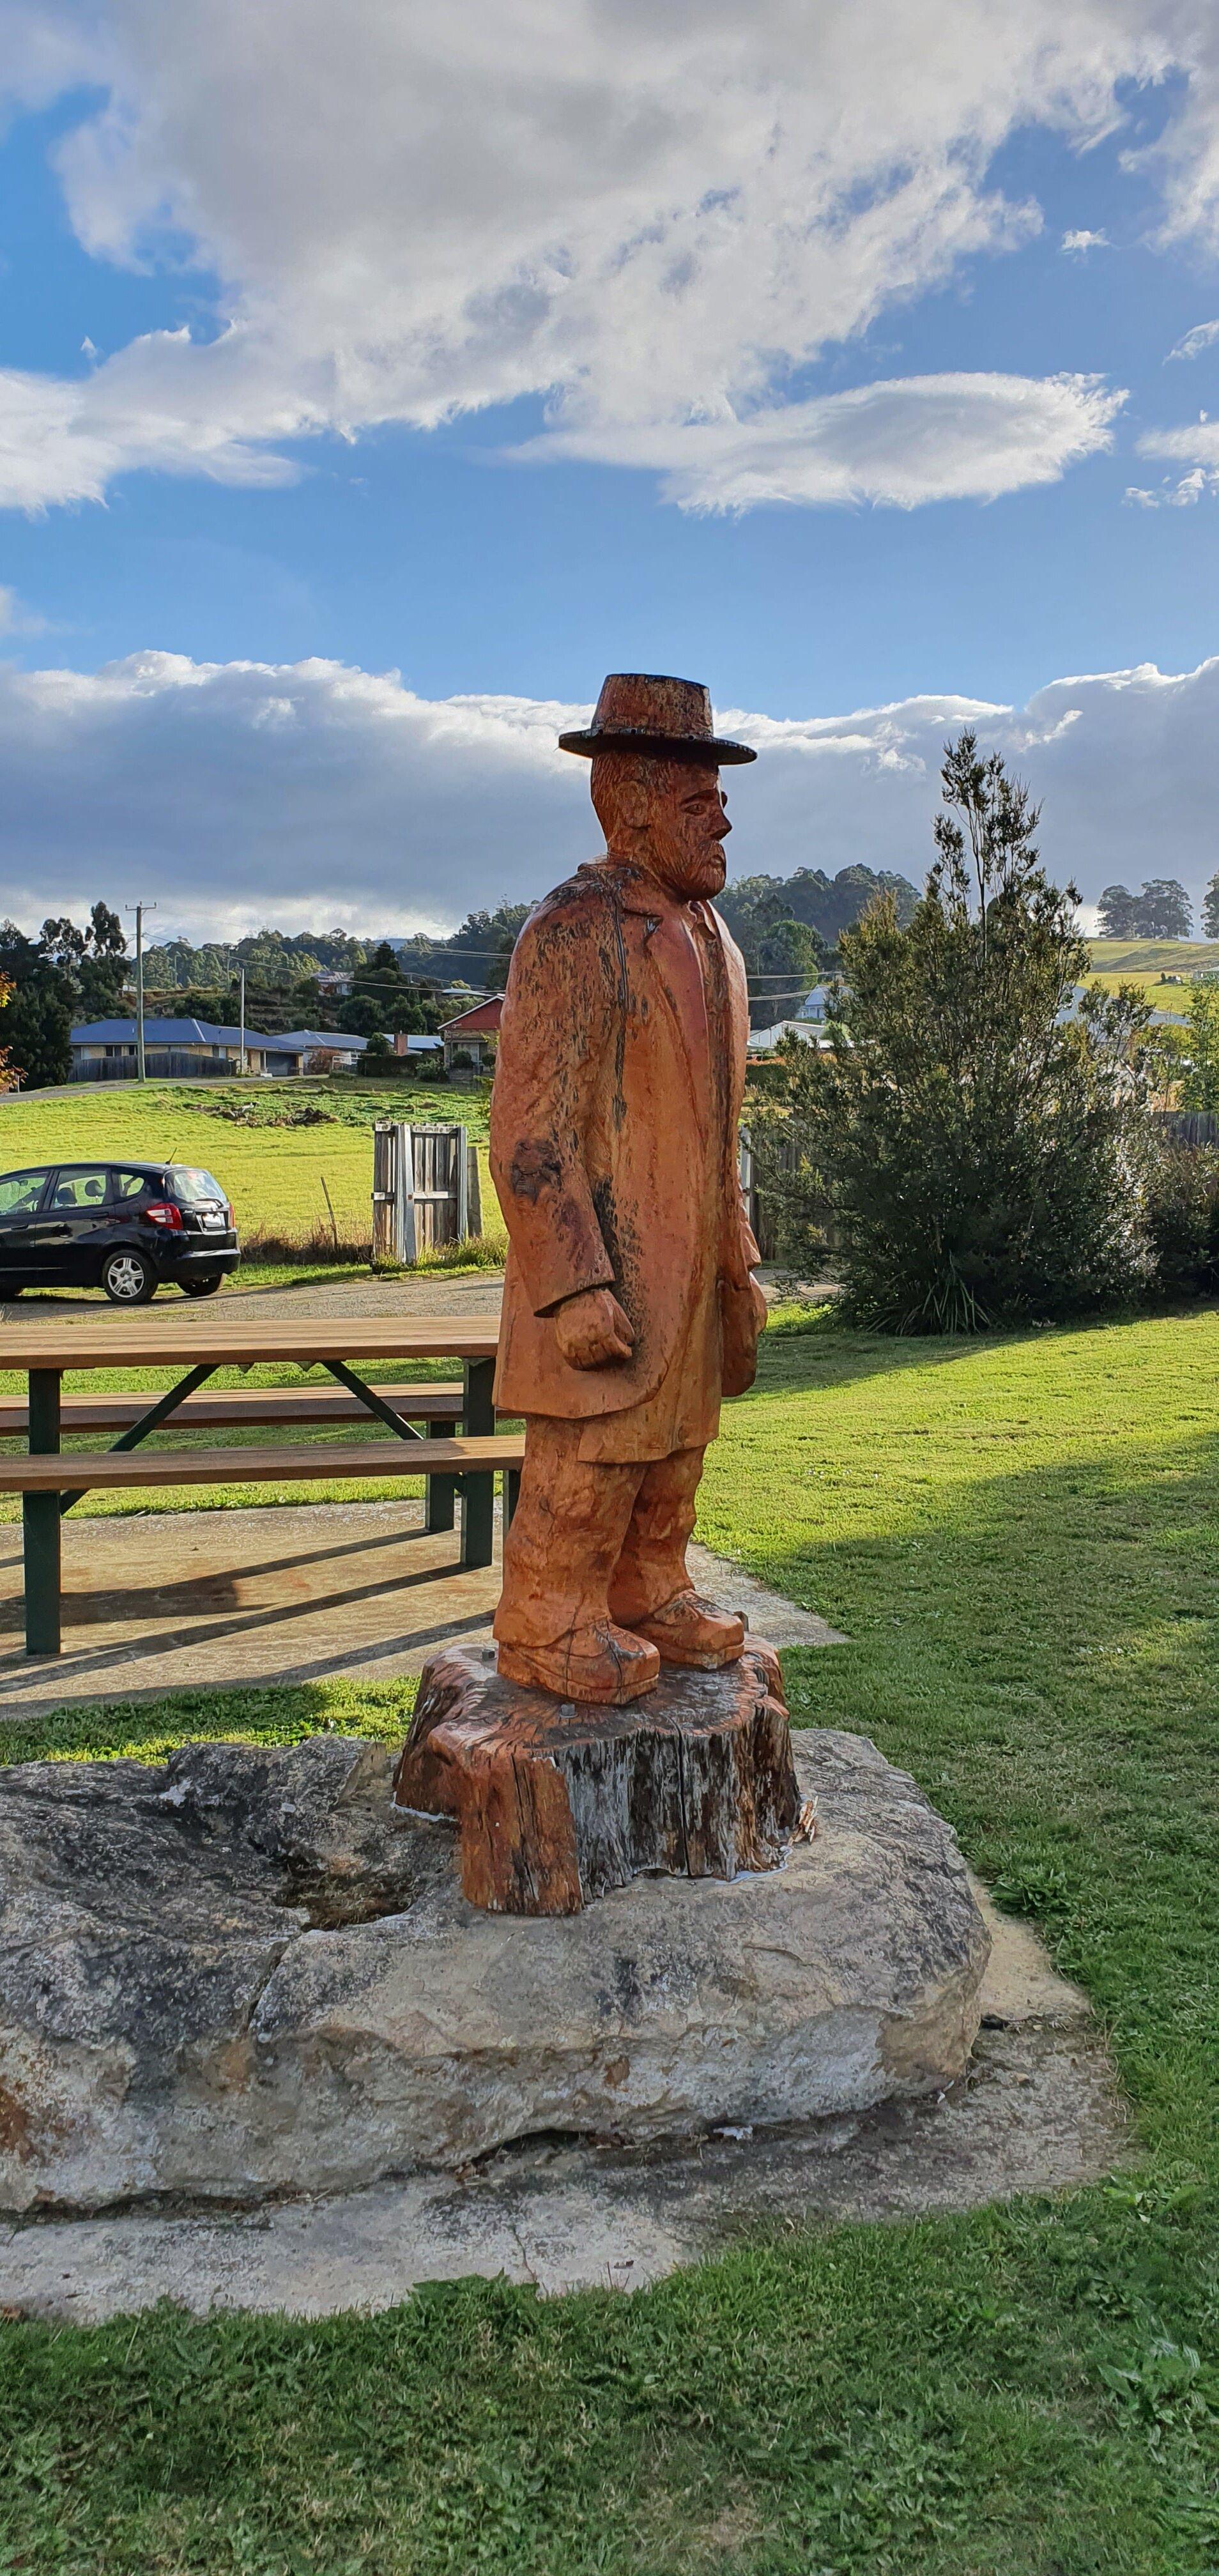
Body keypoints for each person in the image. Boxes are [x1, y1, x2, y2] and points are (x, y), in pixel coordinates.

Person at [489, 673, 768, 1704]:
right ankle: (548, 1618)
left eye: (721, 799)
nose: (724, 818)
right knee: (593, 1456)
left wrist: (738, 1261)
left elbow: (722, 1131)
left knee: (677, 1449)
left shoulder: (716, 944)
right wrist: (573, 1285)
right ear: (635, 801)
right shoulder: (572, 931)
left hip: (695, 1266)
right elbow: (529, 1133)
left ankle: (652, 1589)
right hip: (607, 1271)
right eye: (700, 801)